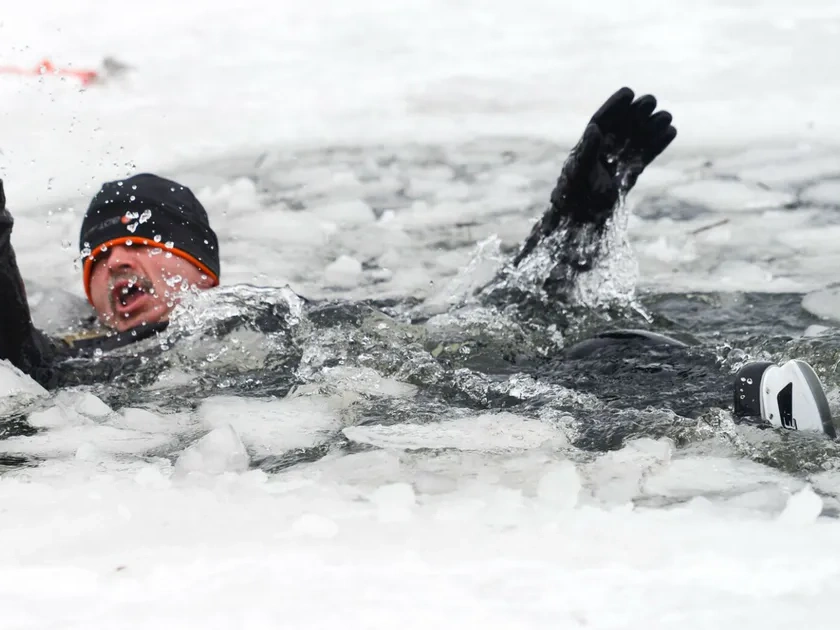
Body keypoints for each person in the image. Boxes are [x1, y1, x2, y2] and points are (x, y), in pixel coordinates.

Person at [0, 87, 833, 437]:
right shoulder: (89, 361)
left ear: (203, 272)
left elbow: (475, 322)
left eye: (145, 245)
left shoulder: (259, 308)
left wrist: (575, 214)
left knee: (570, 333)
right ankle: (746, 407)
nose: (120, 264)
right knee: (527, 383)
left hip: (390, 355)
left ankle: (582, 224)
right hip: (373, 393)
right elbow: (22, 365)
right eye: (102, 258)